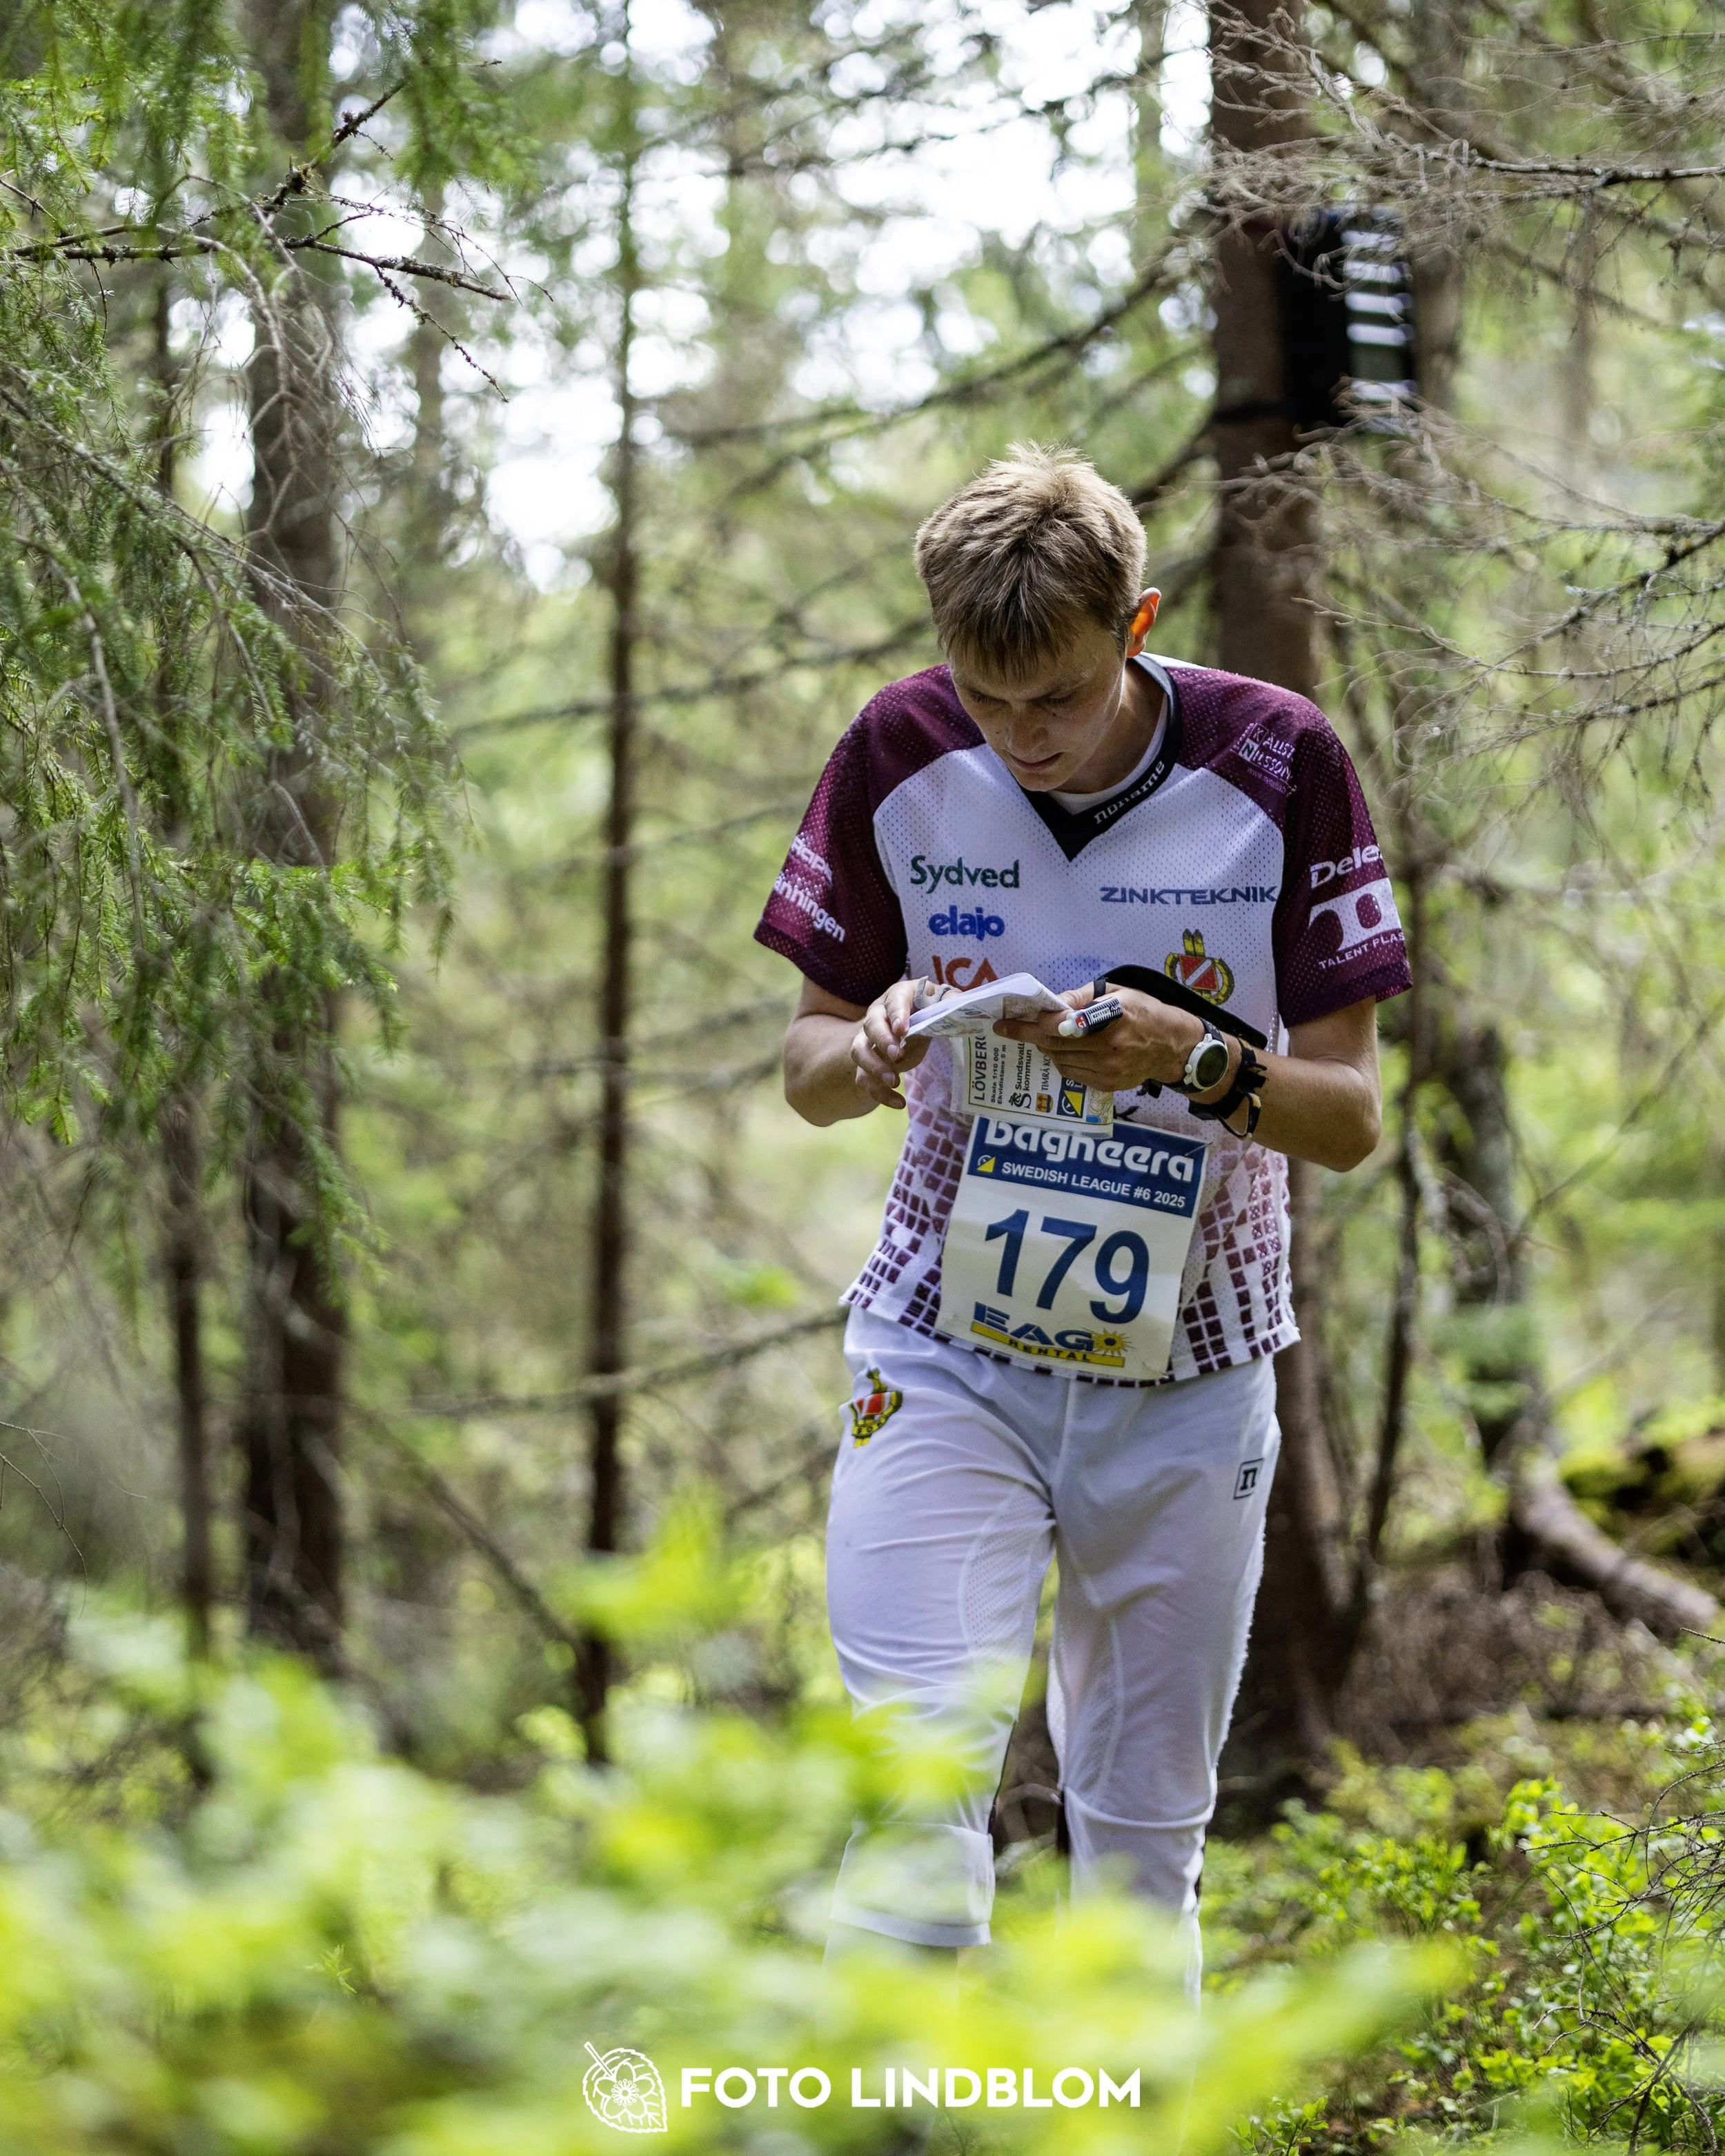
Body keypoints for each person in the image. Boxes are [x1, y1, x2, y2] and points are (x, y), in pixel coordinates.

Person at [753, 445, 1410, 1966]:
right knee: (908, 1802)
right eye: (985, 698)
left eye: (1054, 694)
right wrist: (869, 1049)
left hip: (1190, 1364)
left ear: (1137, 623)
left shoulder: (1277, 760)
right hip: (942, 1347)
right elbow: (803, 1066)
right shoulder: (899, 747)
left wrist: (1193, 1055)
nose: (1021, 736)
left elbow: (1351, 1116)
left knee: (1137, 1848)